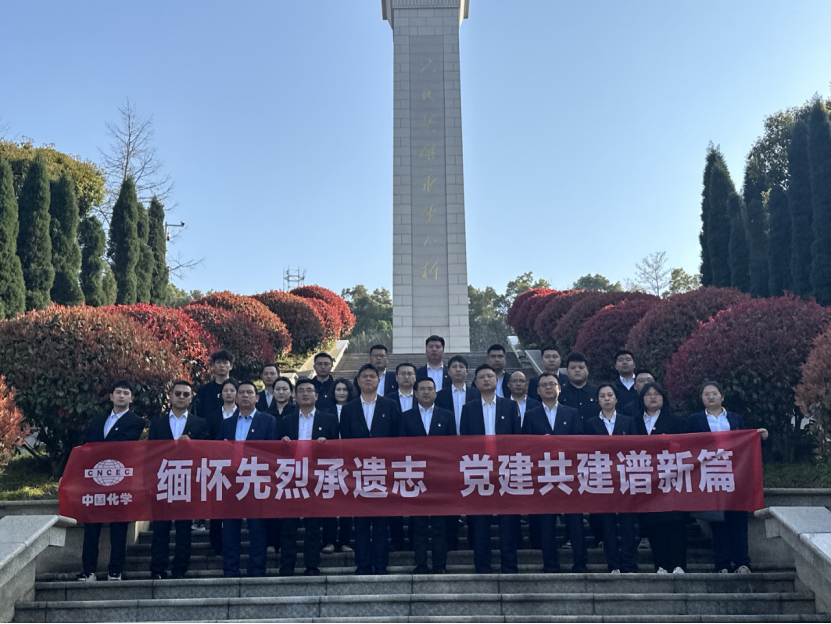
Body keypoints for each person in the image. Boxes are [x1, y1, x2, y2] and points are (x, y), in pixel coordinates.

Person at [686, 381, 769, 574]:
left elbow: (747, 445)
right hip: (710, 475)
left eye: (714, 393)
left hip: (735, 474)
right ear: (701, 399)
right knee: (717, 522)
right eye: (706, 394)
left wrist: (761, 438)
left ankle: (742, 563)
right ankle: (722, 564)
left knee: (738, 520)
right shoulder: (694, 420)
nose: (711, 397)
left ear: (722, 396)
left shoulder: (734, 418)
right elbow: (687, 445)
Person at [77, 380, 145, 581]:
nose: (121, 395)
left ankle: (115, 569)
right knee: (91, 526)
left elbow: (123, 446)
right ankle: (88, 570)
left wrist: (100, 450)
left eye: (126, 393)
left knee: (118, 526)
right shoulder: (98, 421)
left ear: (131, 398)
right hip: (95, 480)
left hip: (120, 479)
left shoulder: (136, 421)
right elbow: (86, 446)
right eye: (118, 392)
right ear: (111, 396)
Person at [521, 372, 588, 573]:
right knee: (547, 523)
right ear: (538, 390)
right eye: (544, 385)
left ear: (559, 388)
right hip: (544, 475)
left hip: (569, 474)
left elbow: (580, 442)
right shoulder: (531, 414)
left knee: (575, 521)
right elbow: (525, 446)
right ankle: (550, 564)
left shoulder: (572, 413)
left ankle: (580, 563)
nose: (548, 387)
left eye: (552, 384)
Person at [340, 364, 402, 575]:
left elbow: (397, 438)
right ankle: (363, 564)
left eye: (372, 376)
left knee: (381, 522)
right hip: (357, 474)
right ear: (358, 382)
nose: (368, 379)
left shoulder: (390, 405)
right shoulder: (349, 409)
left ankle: (381, 564)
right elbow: (345, 441)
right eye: (364, 376)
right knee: (361, 522)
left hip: (383, 473)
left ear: (378, 380)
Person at [460, 364, 521, 574]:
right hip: (478, 470)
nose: (486, 380)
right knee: (480, 521)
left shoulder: (509, 407)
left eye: (490, 376)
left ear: (497, 381)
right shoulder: (469, 408)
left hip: (505, 469)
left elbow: (517, 439)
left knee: (507, 521)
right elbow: (464, 442)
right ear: (476, 383)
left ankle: (509, 566)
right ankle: (482, 567)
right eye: (482, 377)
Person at [277, 379, 339, 576]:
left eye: (309, 390)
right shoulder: (285, 420)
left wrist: (326, 445)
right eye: (301, 391)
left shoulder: (329, 419)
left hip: (315, 478)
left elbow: (337, 450)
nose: (305, 394)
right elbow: (275, 452)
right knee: (288, 526)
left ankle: (312, 565)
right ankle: (287, 566)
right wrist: (282, 443)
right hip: (291, 478)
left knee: (313, 526)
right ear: (294, 396)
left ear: (316, 396)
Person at [148, 381, 208, 579]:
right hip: (162, 480)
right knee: (160, 528)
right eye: (178, 393)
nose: (181, 397)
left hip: (187, 481)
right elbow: (150, 454)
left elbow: (206, 453)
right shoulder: (157, 423)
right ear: (170, 396)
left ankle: (180, 568)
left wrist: (192, 445)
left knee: (184, 529)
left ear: (191, 398)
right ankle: (158, 568)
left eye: (186, 394)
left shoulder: (200, 423)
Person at [220, 381, 277, 578]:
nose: (245, 396)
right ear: (235, 398)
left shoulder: (268, 420)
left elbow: (272, 451)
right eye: (241, 393)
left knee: (257, 528)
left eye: (249, 393)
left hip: (256, 480)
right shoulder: (226, 423)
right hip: (231, 481)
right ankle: (230, 569)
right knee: (230, 528)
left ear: (257, 398)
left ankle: (257, 569)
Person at [401, 377, 455, 573]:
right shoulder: (406, 417)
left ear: (435, 393)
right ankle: (421, 563)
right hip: (415, 477)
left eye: (430, 389)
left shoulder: (447, 416)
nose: (426, 392)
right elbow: (400, 448)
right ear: (415, 393)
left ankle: (440, 564)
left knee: (440, 524)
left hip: (440, 478)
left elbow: (453, 448)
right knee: (419, 524)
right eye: (422, 389)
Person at [583, 383, 638, 574]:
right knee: (607, 524)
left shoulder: (628, 422)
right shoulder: (590, 424)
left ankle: (629, 563)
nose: (606, 399)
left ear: (616, 398)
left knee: (628, 523)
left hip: (625, 478)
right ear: (598, 400)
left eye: (610, 395)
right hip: (602, 479)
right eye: (602, 396)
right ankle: (613, 564)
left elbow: (636, 448)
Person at [634, 381, 687, 574]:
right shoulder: (634, 422)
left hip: (671, 478)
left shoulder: (676, 422)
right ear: (642, 399)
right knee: (653, 523)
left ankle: (679, 564)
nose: (653, 397)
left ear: (663, 398)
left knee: (675, 521)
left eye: (656, 394)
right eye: (648, 394)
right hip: (646, 480)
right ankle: (661, 565)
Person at [434, 354, 479, 551]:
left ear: (467, 371)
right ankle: (451, 539)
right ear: (448, 372)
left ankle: (474, 539)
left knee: (473, 495)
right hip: (448, 453)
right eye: (454, 367)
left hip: (473, 453)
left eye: (461, 366)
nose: (458, 369)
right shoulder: (440, 395)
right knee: (450, 496)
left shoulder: (477, 393)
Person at [321, 378, 355, 554]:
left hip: (350, 462)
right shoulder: (325, 412)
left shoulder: (356, 410)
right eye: (338, 389)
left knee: (347, 504)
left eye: (344, 389)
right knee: (330, 503)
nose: (341, 393)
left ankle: (345, 541)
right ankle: (329, 541)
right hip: (330, 462)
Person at [390, 362, 417, 551]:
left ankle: (415, 539)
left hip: (418, 459)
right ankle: (397, 539)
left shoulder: (424, 397)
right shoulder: (387, 400)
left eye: (410, 373)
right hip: (394, 458)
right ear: (396, 377)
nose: (406, 377)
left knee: (416, 500)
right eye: (403, 373)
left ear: (415, 377)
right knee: (395, 500)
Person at [559, 352, 599, 422]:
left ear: (587, 370)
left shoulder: (597, 392)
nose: (577, 370)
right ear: (567, 371)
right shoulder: (559, 393)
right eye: (573, 368)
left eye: (581, 367)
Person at [193, 350, 234, 419]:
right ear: (213, 365)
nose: (222, 365)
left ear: (231, 366)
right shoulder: (204, 390)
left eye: (225, 363)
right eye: (218, 363)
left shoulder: (238, 389)